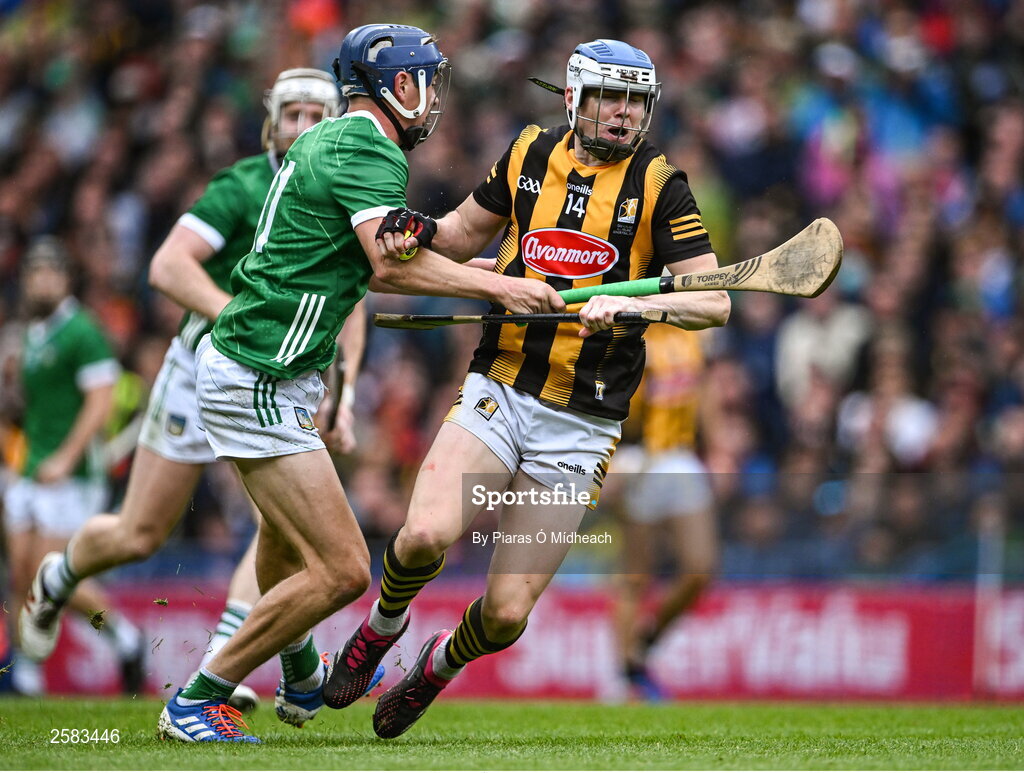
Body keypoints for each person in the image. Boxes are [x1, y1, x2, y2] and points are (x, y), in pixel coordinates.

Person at [155, 23, 562, 744]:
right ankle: (199, 694)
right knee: (343, 570)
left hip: (260, 369)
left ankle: (303, 671)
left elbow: (394, 246)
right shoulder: (366, 146)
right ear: (398, 85)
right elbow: (390, 267)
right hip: (261, 376)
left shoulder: (338, 142)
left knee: (284, 543)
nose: (434, 100)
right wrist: (495, 290)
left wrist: (483, 270)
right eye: (427, 82)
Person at [322, 38, 730, 738]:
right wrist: (413, 230)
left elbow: (712, 300)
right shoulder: (528, 153)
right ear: (573, 97)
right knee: (422, 534)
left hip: (583, 425)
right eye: (610, 97)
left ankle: (436, 667)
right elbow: (454, 237)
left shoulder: (662, 185)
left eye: (635, 100)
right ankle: (380, 630)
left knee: (507, 614)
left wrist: (633, 306)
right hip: (501, 387)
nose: (623, 114)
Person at [17, 68, 357, 716]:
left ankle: (229, 661)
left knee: (279, 525)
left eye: (319, 115)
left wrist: (347, 388)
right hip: (204, 368)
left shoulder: (342, 189)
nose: (305, 127)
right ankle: (58, 576)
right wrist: (242, 320)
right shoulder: (243, 185)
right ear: (271, 124)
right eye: (294, 115)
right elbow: (168, 265)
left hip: (274, 379)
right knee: (138, 533)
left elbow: (357, 297)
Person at [5, 236, 145, 695]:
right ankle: (25, 671)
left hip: (72, 474)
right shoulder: (30, 333)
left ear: (66, 279)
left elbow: (101, 402)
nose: (41, 279)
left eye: (50, 271)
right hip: (29, 468)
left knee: (52, 574)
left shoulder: (83, 331)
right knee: (22, 573)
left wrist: (66, 457)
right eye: (34, 272)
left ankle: (123, 636)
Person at [613, 323, 718, 700]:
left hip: (680, 457)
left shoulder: (694, 331)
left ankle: (645, 640)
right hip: (638, 459)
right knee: (635, 576)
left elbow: (705, 389)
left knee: (699, 569)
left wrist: (719, 447)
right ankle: (624, 676)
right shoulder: (628, 330)